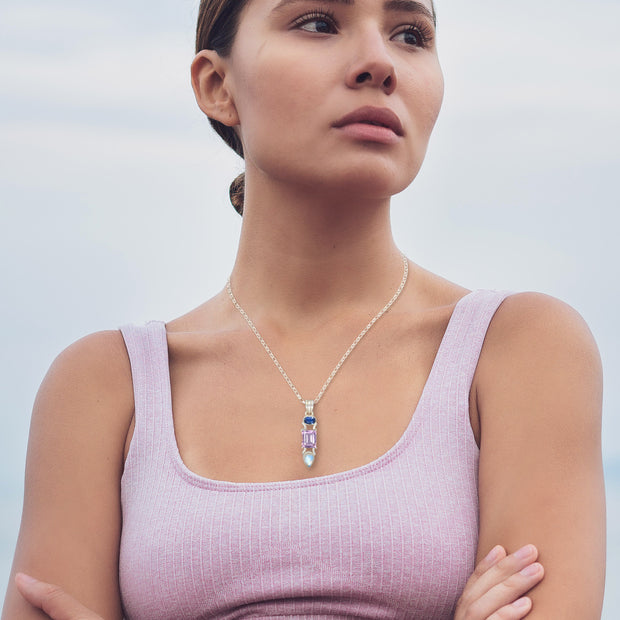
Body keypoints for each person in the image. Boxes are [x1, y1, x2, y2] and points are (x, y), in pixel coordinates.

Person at [2, 0, 606, 618]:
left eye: (410, 34)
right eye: (318, 23)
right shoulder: (104, 386)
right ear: (217, 86)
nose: (379, 61)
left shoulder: (520, 350)